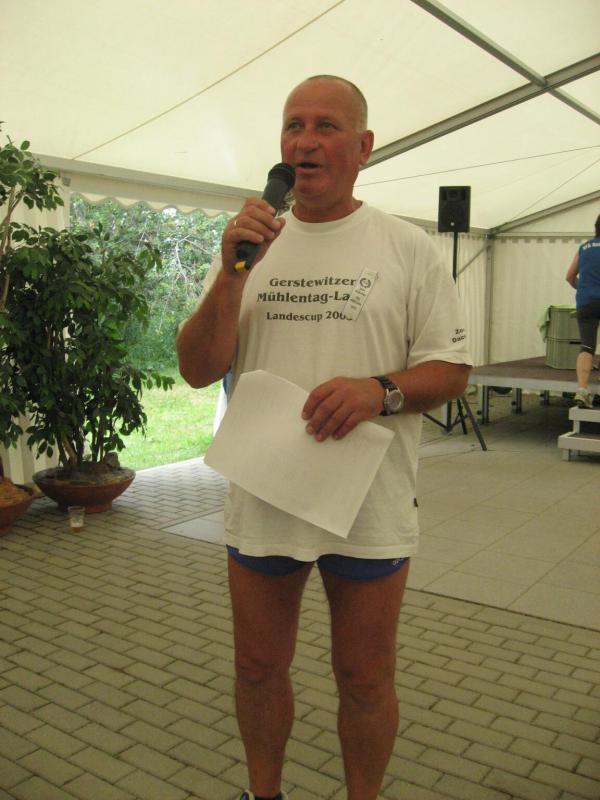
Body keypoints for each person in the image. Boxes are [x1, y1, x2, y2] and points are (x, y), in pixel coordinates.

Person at [177, 75, 471, 800]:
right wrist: (231, 277)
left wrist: (380, 390)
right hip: (264, 494)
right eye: (293, 125)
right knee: (256, 668)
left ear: (364, 146)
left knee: (364, 678)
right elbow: (196, 368)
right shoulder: (247, 245)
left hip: (368, 503)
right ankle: (263, 793)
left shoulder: (407, 248)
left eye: (326, 126)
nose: (305, 141)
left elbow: (453, 370)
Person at [566, 214, 600, 408]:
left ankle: (582, 391)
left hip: (586, 302)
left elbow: (570, 276)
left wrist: (585, 289)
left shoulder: (584, 248)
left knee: (587, 346)